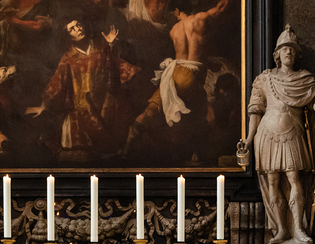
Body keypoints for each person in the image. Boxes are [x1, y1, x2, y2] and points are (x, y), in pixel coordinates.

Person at [238, 25, 315, 244]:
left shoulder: (304, 78)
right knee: (273, 182)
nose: (288, 51)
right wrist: (248, 139)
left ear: (297, 55)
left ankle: (298, 229)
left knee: (295, 178)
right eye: (284, 48)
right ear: (277, 54)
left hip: (292, 134)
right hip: (267, 135)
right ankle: (281, 229)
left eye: (292, 49)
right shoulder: (264, 79)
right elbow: (255, 111)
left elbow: (314, 98)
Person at [122, 0, 230, 160]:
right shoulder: (200, 19)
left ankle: (132, 135)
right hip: (191, 73)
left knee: (153, 108)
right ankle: (199, 155)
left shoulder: (175, 29)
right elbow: (222, 7)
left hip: (174, 71)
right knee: (199, 115)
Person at [25, 18, 139, 158]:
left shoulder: (101, 46)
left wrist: (111, 45)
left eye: (78, 25)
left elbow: (114, 66)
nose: (78, 29)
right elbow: (57, 82)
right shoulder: (68, 58)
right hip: (83, 105)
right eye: (72, 29)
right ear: (67, 36)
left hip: (105, 101)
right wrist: (44, 105)